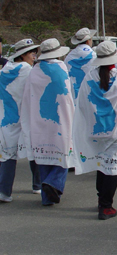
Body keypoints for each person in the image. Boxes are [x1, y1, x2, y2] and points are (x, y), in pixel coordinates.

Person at [73, 41, 117, 220]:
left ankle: (101, 199)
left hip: (94, 129)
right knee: (112, 168)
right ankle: (106, 206)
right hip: (115, 131)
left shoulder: (89, 77)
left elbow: (82, 103)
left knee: (101, 164)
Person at [20, 38, 74, 205]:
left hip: (39, 118)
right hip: (60, 118)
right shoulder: (61, 68)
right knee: (63, 153)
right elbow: (67, 95)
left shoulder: (34, 71)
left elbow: (28, 97)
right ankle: (53, 183)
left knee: (43, 155)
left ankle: (46, 198)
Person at [0, 39, 41, 202]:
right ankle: (37, 185)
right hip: (25, 116)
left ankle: (4, 191)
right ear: (23, 55)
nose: (34, 55)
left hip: (6, 118)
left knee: (7, 156)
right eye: (32, 52)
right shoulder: (27, 69)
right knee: (34, 150)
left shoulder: (4, 70)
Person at [64, 28, 97, 100]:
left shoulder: (69, 56)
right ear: (88, 41)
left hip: (73, 94)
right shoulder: (94, 56)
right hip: (90, 94)